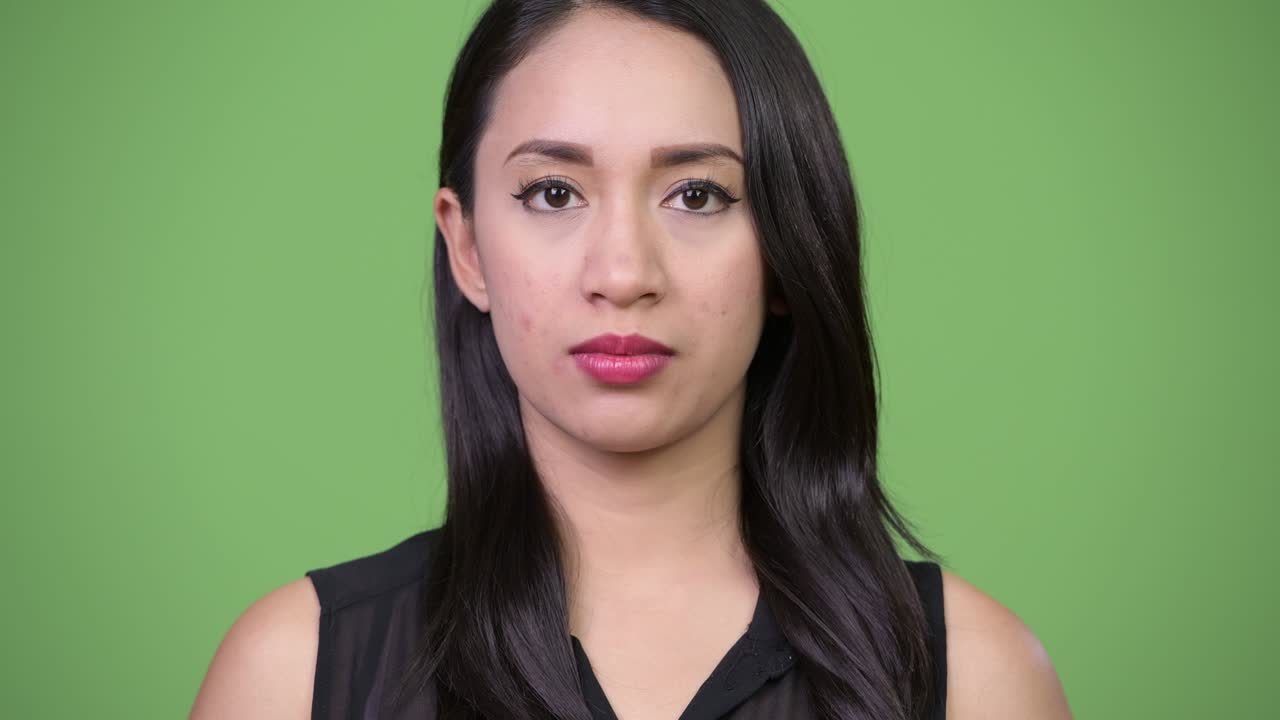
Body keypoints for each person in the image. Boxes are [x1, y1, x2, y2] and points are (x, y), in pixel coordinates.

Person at [191, 1, 1072, 718]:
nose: (623, 273)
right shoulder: (295, 674)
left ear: (787, 251)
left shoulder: (977, 681)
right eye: (552, 192)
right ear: (467, 250)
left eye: (697, 194)